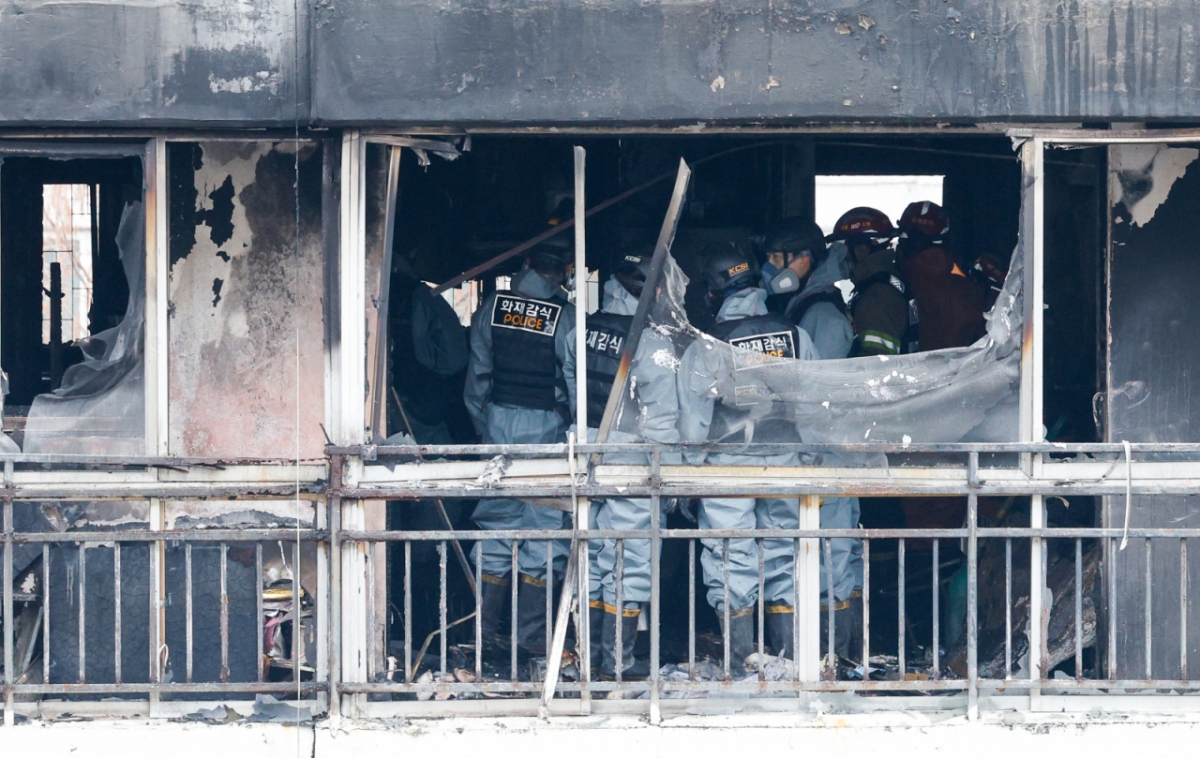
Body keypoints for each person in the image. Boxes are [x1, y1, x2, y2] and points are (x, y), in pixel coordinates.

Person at [677, 241, 818, 672]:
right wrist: (809, 461)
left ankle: (740, 664)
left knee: (729, 557)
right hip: (786, 460)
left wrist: (687, 479)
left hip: (728, 467)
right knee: (783, 555)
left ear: (713, 294)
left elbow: (693, 425)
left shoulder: (708, 345)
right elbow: (816, 404)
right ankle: (790, 663)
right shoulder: (797, 334)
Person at [463, 240, 577, 659]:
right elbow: (573, 381)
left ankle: (483, 637)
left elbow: (477, 377)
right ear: (564, 270)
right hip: (547, 425)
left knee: (496, 525)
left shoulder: (492, 306)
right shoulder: (565, 317)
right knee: (545, 532)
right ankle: (530, 643)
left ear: (526, 263)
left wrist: (486, 427)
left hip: (498, 423)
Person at [582, 251, 681, 679]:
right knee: (629, 561)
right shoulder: (653, 342)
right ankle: (618, 663)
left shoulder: (582, 330)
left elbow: (570, 387)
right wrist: (670, 480)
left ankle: (588, 657)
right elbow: (661, 421)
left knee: (590, 555)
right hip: (631, 461)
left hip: (584, 449)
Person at [895, 201, 986, 352]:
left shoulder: (918, 281)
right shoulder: (964, 283)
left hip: (925, 372)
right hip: (961, 371)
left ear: (913, 241)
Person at [828, 207, 909, 358]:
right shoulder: (885, 283)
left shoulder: (877, 298)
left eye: (843, 250)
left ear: (861, 250)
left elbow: (878, 364)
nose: (841, 258)